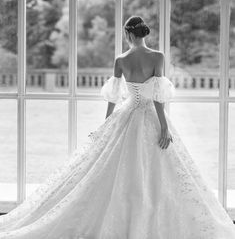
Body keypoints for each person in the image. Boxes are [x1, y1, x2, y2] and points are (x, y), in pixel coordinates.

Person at [0, 16, 235, 239]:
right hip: (150, 115)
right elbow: (157, 96)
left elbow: (113, 97)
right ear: (143, 32)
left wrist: (107, 125)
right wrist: (164, 127)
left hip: (126, 114)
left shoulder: (121, 60)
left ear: (127, 34)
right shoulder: (157, 57)